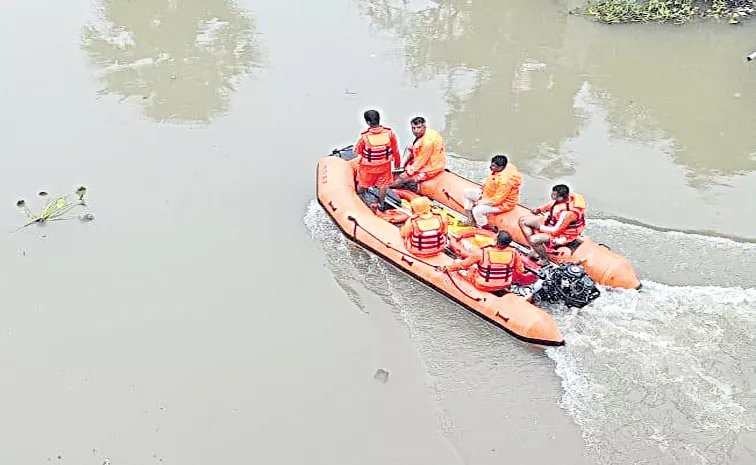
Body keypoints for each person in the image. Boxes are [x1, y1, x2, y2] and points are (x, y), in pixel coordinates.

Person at [518, 184, 587, 264]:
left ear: (561, 197)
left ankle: (544, 259)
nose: (551, 195)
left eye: (554, 194)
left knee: (534, 239)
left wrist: (540, 227)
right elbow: (553, 204)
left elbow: (556, 231)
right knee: (523, 221)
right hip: (552, 222)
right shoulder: (566, 198)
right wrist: (540, 209)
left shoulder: (568, 214)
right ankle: (535, 248)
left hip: (564, 235)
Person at [437, 231, 524, 293]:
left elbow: (463, 265)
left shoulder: (482, 253)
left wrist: (446, 268)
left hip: (482, 284)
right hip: (505, 284)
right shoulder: (515, 253)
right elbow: (520, 271)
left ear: (496, 240)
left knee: (458, 261)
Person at [352, 109, 401, 210]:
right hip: (385, 167)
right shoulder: (389, 134)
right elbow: (396, 150)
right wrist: (397, 164)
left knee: (362, 185)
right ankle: (381, 204)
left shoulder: (364, 137)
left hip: (368, 168)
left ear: (368, 122)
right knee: (383, 186)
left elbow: (357, 152)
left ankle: (358, 199)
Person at [462, 155, 522, 230]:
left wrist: (481, 202)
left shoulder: (504, 182)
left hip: (503, 203)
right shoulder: (505, 168)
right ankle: (470, 220)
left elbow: (497, 200)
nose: (490, 167)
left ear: (500, 167)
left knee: (477, 210)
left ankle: (485, 227)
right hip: (488, 194)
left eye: (493, 166)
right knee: (467, 193)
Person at [391, 116, 446, 190]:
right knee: (409, 147)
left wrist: (406, 174)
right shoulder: (428, 133)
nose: (416, 131)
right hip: (430, 159)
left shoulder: (427, 143)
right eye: (413, 128)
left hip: (431, 169)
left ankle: (385, 187)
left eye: (418, 127)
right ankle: (401, 167)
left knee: (402, 179)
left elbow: (419, 163)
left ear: (424, 126)